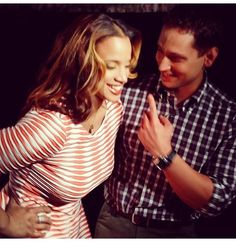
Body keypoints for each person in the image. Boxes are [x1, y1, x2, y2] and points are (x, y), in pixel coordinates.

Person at [95, 5, 236, 238]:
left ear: (209, 57)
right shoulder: (128, 90)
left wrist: (164, 153)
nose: (162, 65)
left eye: (176, 58)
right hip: (113, 222)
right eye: (160, 51)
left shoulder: (228, 117)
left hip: (172, 232)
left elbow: (216, 202)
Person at [0, 13, 141, 238]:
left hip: (73, 228)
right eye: (112, 66)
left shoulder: (113, 109)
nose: (123, 77)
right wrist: (7, 224)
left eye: (127, 65)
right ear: (82, 63)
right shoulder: (51, 125)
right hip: (35, 232)